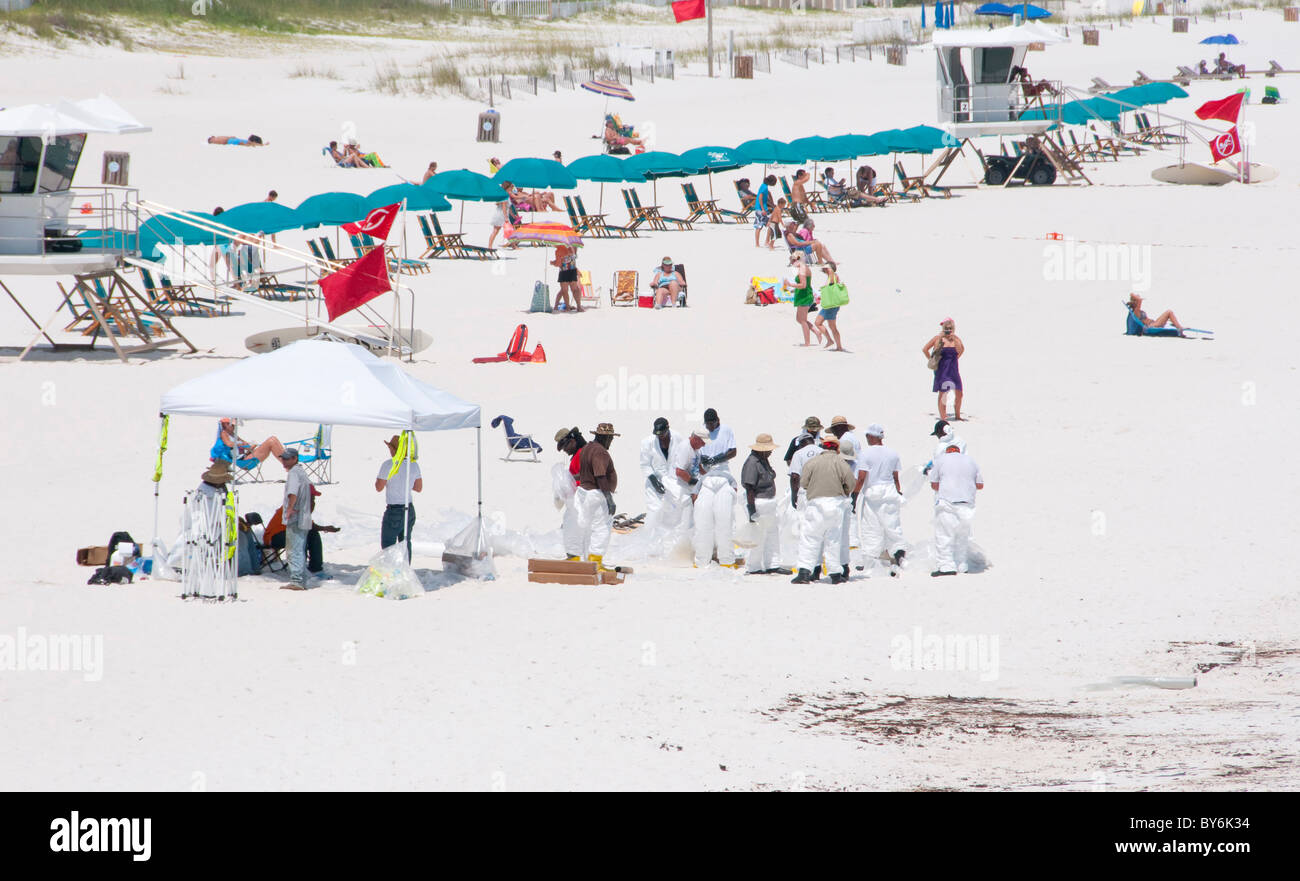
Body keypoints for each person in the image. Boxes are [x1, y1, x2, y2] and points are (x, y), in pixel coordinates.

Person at [791, 436, 855, 584]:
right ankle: (835, 575)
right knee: (833, 541)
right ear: (836, 448)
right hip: (835, 505)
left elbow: (804, 483)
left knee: (810, 539)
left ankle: (804, 572)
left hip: (816, 504)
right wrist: (843, 491)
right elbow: (850, 483)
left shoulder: (812, 462)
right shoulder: (841, 462)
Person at [692, 409, 740, 569]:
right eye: (708, 424)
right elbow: (694, 452)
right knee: (702, 518)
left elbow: (733, 451)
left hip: (723, 476)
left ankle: (726, 560)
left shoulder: (726, 430)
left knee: (724, 518)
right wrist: (702, 460)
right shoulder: (700, 431)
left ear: (717, 421)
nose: (710, 427)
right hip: (707, 477)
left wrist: (718, 458)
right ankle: (701, 560)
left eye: (713, 424)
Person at [857, 424, 906, 574]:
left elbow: (861, 478)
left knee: (871, 528)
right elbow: (895, 477)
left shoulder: (865, 454)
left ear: (872, 437)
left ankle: (871, 561)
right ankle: (898, 554)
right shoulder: (893, 453)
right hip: (890, 492)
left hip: (873, 494)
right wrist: (898, 492)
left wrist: (854, 495)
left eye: (867, 436)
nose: (866, 438)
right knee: (892, 526)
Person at [929, 443, 983, 577]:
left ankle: (946, 566)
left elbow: (934, 484)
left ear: (948, 451)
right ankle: (962, 565)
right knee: (962, 537)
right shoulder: (971, 461)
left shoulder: (941, 460)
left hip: (947, 503)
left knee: (945, 535)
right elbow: (980, 485)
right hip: (967, 504)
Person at [640, 417, 694, 550]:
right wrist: (654, 481)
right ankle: (648, 546)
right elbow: (645, 465)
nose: (660, 438)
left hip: (673, 481)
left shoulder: (678, 438)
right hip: (654, 481)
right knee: (655, 510)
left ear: (667, 429)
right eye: (657, 435)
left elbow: (683, 459)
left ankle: (669, 545)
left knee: (675, 512)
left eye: (662, 435)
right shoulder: (647, 442)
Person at [262, 489, 340, 576]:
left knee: (313, 534)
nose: (313, 502)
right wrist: (324, 528)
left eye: (314, 499)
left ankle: (316, 568)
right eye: (312, 498)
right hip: (275, 537)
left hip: (287, 533)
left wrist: (324, 528)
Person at [576, 422, 619, 570]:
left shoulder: (587, 448)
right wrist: (609, 499)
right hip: (596, 493)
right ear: (604, 438)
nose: (611, 442)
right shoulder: (600, 452)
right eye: (610, 438)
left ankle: (587, 560)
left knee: (588, 528)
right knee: (601, 529)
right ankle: (596, 563)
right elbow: (600, 475)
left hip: (584, 492)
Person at [741, 433, 785, 575]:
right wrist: (752, 510)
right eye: (770, 449)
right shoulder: (752, 462)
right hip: (759, 503)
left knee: (772, 534)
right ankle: (753, 566)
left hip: (769, 503)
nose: (772, 451)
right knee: (758, 535)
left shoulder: (763, 459)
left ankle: (772, 564)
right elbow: (749, 488)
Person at [375, 434, 422, 562]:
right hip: (409, 508)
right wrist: (405, 482)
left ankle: (389, 573)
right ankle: (405, 571)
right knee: (405, 543)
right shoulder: (414, 465)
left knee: (388, 545)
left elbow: (379, 487)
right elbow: (418, 488)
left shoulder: (388, 465)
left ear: (394, 450)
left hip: (394, 509)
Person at [278, 448, 312, 590]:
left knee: (293, 549)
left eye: (287, 459)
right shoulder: (302, 472)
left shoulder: (293, 473)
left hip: (296, 516)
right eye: (283, 459)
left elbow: (292, 493)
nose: (284, 462)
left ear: (295, 459)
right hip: (304, 516)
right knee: (299, 548)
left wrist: (290, 508)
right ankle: (300, 578)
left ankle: (297, 580)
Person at [922, 317, 965, 421]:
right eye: (946, 328)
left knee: (959, 393)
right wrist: (932, 360)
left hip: (954, 370)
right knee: (944, 393)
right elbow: (925, 349)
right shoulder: (938, 339)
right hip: (943, 370)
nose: (948, 330)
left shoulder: (956, 339)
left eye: (950, 328)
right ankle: (943, 417)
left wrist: (955, 358)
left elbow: (962, 349)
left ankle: (957, 415)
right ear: (943, 328)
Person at [554, 427, 586, 560]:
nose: (565, 451)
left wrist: (570, 479)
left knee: (573, 526)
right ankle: (574, 555)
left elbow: (587, 474)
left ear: (572, 441)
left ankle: (575, 556)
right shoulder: (577, 454)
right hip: (576, 497)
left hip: (582, 497)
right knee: (570, 525)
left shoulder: (582, 454)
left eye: (565, 446)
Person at [210, 417, 285, 468]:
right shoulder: (224, 433)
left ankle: (286, 461)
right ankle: (287, 463)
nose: (234, 427)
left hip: (245, 456)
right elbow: (229, 444)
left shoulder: (233, 434)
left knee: (273, 440)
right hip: (243, 461)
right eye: (232, 425)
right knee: (271, 441)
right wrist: (242, 444)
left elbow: (245, 444)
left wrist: (250, 446)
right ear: (225, 424)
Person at [787, 252, 825, 347]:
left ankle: (807, 342)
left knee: (803, 320)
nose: (791, 263)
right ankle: (816, 332)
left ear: (797, 259)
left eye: (792, 260)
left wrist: (791, 285)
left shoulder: (802, 269)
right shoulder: (803, 268)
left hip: (804, 296)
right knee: (799, 319)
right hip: (803, 295)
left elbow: (803, 285)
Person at [814, 265, 846, 351]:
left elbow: (831, 283)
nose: (824, 269)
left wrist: (831, 267)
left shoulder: (833, 275)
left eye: (826, 267)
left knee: (818, 323)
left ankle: (831, 341)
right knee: (832, 326)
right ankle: (837, 345)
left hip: (831, 305)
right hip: (830, 304)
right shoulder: (832, 276)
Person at [552, 244, 584, 312]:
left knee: (564, 290)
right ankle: (579, 307)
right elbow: (572, 259)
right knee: (575, 289)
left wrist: (552, 263)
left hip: (564, 271)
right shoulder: (573, 246)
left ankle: (567, 307)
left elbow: (558, 264)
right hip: (572, 270)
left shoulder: (559, 250)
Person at [753, 175, 774, 247]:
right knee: (761, 226)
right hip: (761, 209)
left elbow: (767, 196)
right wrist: (762, 209)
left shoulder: (764, 186)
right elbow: (760, 197)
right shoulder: (764, 187)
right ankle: (761, 243)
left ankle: (762, 243)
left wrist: (772, 205)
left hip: (761, 208)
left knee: (767, 225)